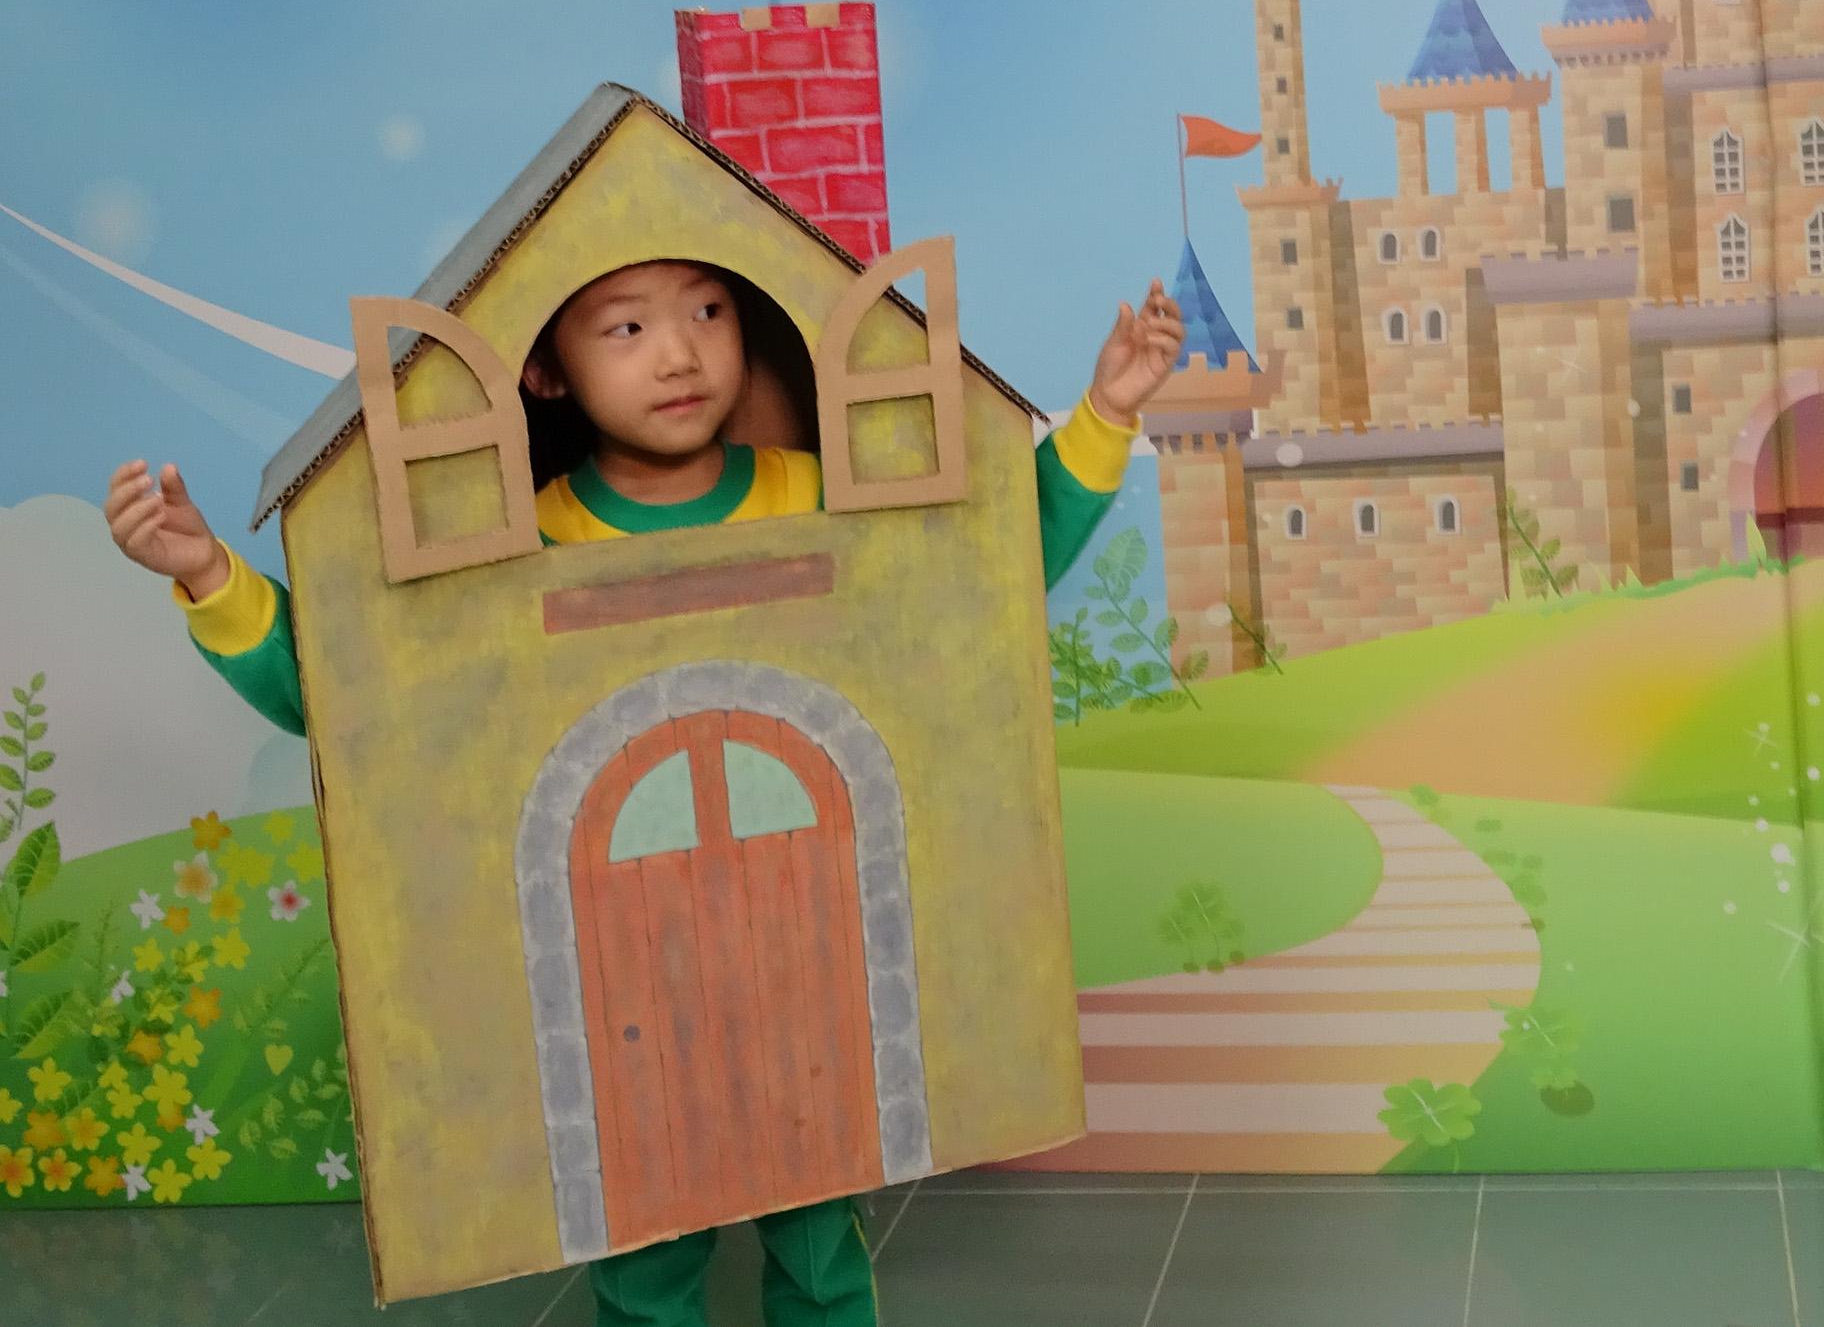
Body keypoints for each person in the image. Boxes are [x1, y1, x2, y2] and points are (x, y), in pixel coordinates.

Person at [104, 257, 1185, 1327]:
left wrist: (1104, 414)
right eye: (625, 328)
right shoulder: (514, 544)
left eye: (708, 311)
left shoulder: (818, 493)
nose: (679, 354)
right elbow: (349, 701)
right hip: (625, 982)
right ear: (546, 371)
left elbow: (988, 564)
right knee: (642, 1242)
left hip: (797, 952)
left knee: (820, 1223)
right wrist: (209, 576)